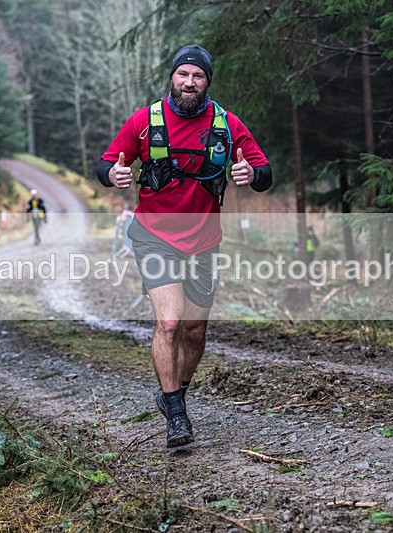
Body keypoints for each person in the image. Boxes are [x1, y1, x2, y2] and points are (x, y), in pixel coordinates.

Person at [96, 44, 272, 447]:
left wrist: (251, 174)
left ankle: (173, 392)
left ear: (207, 81)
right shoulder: (145, 120)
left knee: (194, 330)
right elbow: (106, 164)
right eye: (183, 74)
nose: (189, 82)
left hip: (204, 242)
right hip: (154, 236)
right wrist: (114, 176)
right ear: (172, 78)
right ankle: (176, 413)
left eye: (197, 76)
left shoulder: (227, 125)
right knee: (170, 323)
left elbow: (264, 171)